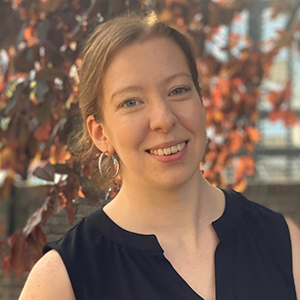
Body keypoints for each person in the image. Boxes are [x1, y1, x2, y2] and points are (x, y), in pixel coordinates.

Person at [19, 14, 300, 300]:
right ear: (100, 133)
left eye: (178, 90)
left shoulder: (285, 243)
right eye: (131, 102)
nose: (163, 119)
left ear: (201, 102)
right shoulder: (62, 279)